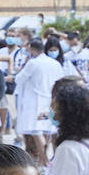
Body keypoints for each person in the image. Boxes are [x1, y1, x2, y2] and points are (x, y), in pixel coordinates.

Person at [13, 37, 63, 166]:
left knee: (36, 131)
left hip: (34, 101)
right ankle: (46, 159)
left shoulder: (33, 63)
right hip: (50, 100)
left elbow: (19, 79)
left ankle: (43, 160)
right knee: (47, 130)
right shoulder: (55, 63)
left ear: (32, 50)